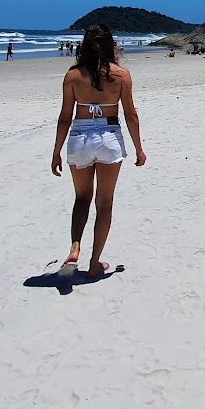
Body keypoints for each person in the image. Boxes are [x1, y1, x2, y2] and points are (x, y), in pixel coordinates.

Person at [50, 25, 144, 279]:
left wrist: (56, 151)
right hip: (109, 137)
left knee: (82, 199)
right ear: (110, 45)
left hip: (80, 138)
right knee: (104, 203)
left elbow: (64, 118)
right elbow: (130, 114)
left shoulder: (72, 76)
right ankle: (94, 264)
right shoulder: (122, 75)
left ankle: (74, 247)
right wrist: (139, 149)